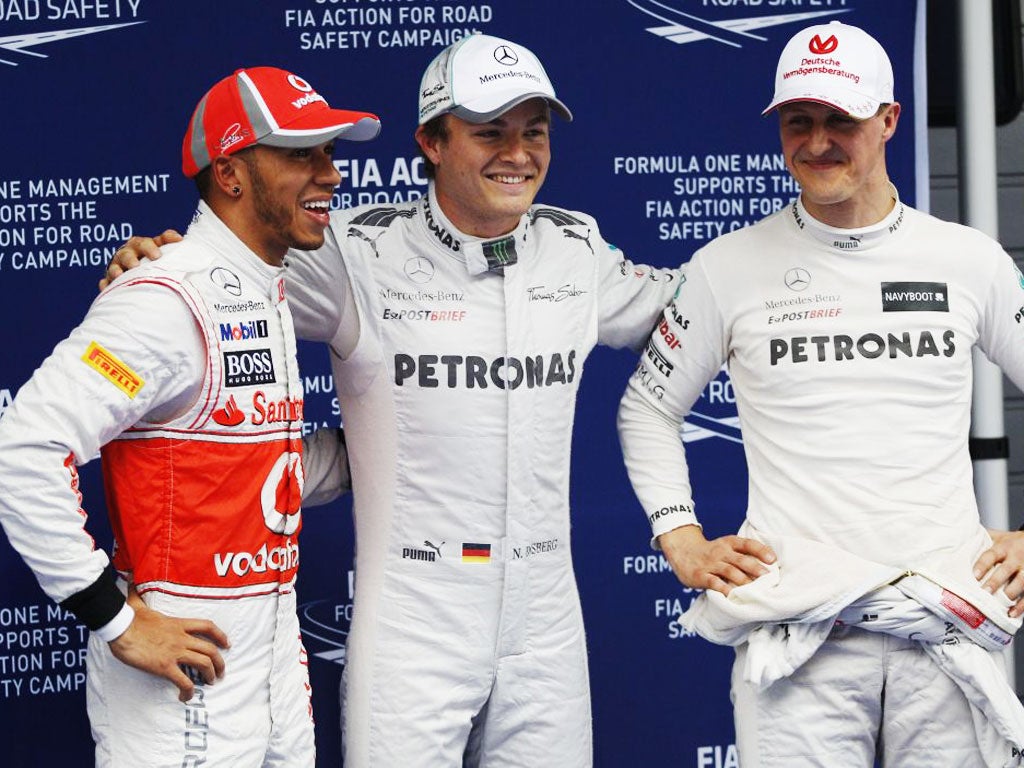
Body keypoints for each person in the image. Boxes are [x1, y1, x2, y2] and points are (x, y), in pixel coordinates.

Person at [103, 33, 681, 767]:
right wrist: (153, 263)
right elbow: (225, 282)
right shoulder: (354, 251)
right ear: (432, 143)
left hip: (547, 618)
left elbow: (691, 313)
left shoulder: (576, 248)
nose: (518, 153)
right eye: (489, 132)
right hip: (416, 612)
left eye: (533, 131)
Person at [618, 20, 1024, 767]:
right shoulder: (725, 266)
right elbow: (647, 407)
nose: (817, 142)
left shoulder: (970, 261)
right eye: (798, 121)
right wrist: (678, 534)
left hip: (943, 628)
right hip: (798, 640)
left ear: (889, 121)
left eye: (841, 120)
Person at [0, 66, 378, 766]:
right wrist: (112, 619)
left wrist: (397, 447)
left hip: (268, 652)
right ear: (231, 174)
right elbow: (19, 449)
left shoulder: (267, 288)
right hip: (180, 669)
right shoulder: (163, 297)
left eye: (329, 152)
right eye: (302, 154)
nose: (330, 173)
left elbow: (255, 468)